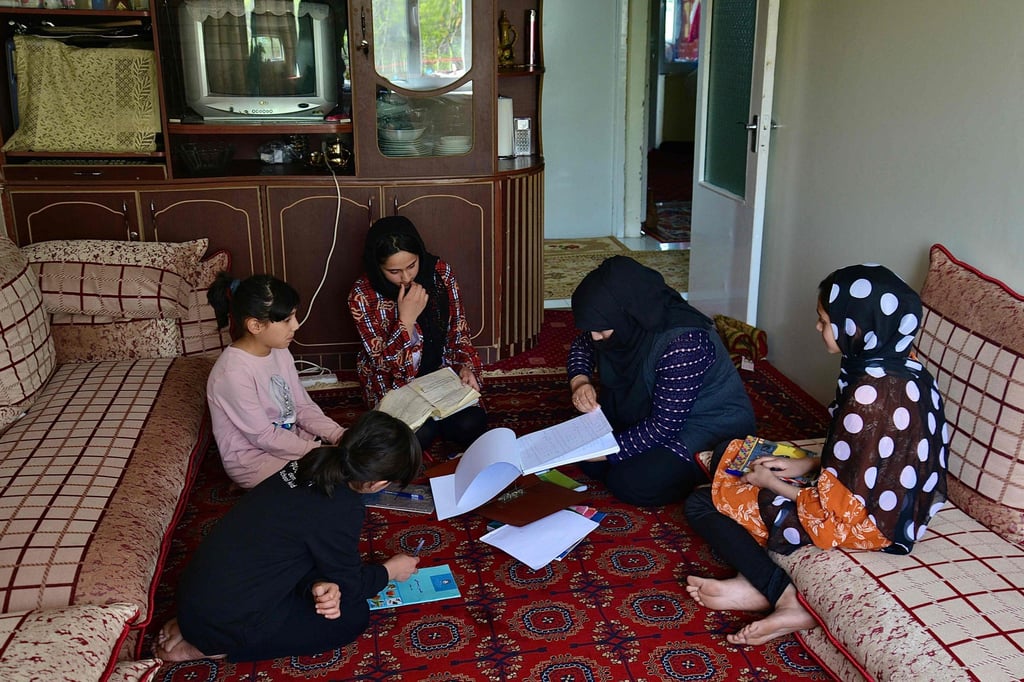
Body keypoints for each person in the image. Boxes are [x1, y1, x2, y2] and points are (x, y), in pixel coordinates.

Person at [684, 263, 949, 646]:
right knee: (731, 454)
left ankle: (781, 595)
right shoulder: (907, 371)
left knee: (702, 502)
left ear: (855, 328)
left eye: (824, 321)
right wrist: (808, 463)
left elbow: (841, 511)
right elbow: (873, 460)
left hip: (870, 525)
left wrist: (771, 482)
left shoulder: (866, 397)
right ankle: (756, 583)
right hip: (903, 507)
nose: (818, 328)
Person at [153, 410, 423, 663]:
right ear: (377, 484)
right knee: (353, 616)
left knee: (314, 578)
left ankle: (197, 628)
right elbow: (351, 586)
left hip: (197, 596)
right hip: (225, 621)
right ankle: (206, 647)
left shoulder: (314, 460)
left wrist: (319, 583)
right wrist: (391, 570)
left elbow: (301, 539)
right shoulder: (342, 508)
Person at [567, 256, 755, 507]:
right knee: (584, 450)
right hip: (650, 411)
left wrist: (608, 450)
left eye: (601, 329)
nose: (595, 336)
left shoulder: (684, 342)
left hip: (704, 426)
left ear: (627, 314)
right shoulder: (623, 320)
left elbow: (665, 426)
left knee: (631, 482)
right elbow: (583, 345)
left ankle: (710, 472)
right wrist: (579, 381)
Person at [348, 216, 486, 453]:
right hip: (396, 384)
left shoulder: (440, 273)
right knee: (417, 435)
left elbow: (459, 330)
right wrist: (406, 320)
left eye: (412, 266)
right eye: (394, 271)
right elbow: (384, 365)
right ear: (377, 267)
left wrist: (465, 367)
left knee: (472, 423)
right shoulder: (362, 295)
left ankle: (443, 419)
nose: (406, 278)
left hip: (441, 376)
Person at [207, 273, 345, 489]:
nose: (296, 326)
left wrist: (339, 435)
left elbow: (301, 406)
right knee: (337, 479)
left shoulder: (278, 351)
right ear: (255, 325)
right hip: (254, 460)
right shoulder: (232, 373)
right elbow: (263, 436)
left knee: (353, 460)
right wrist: (320, 452)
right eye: (287, 320)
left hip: (286, 440)